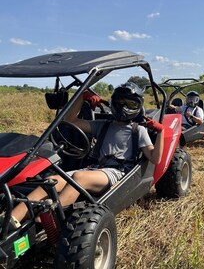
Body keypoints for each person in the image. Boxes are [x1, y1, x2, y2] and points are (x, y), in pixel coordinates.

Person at [8, 82, 164, 228]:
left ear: (138, 107)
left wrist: (161, 132)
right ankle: (11, 219)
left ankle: (48, 220)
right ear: (113, 102)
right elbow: (70, 120)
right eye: (120, 102)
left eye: (129, 104)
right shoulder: (103, 125)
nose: (123, 107)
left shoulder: (139, 130)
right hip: (95, 168)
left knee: (78, 178)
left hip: (116, 173)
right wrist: (82, 97)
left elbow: (155, 158)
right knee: (51, 181)